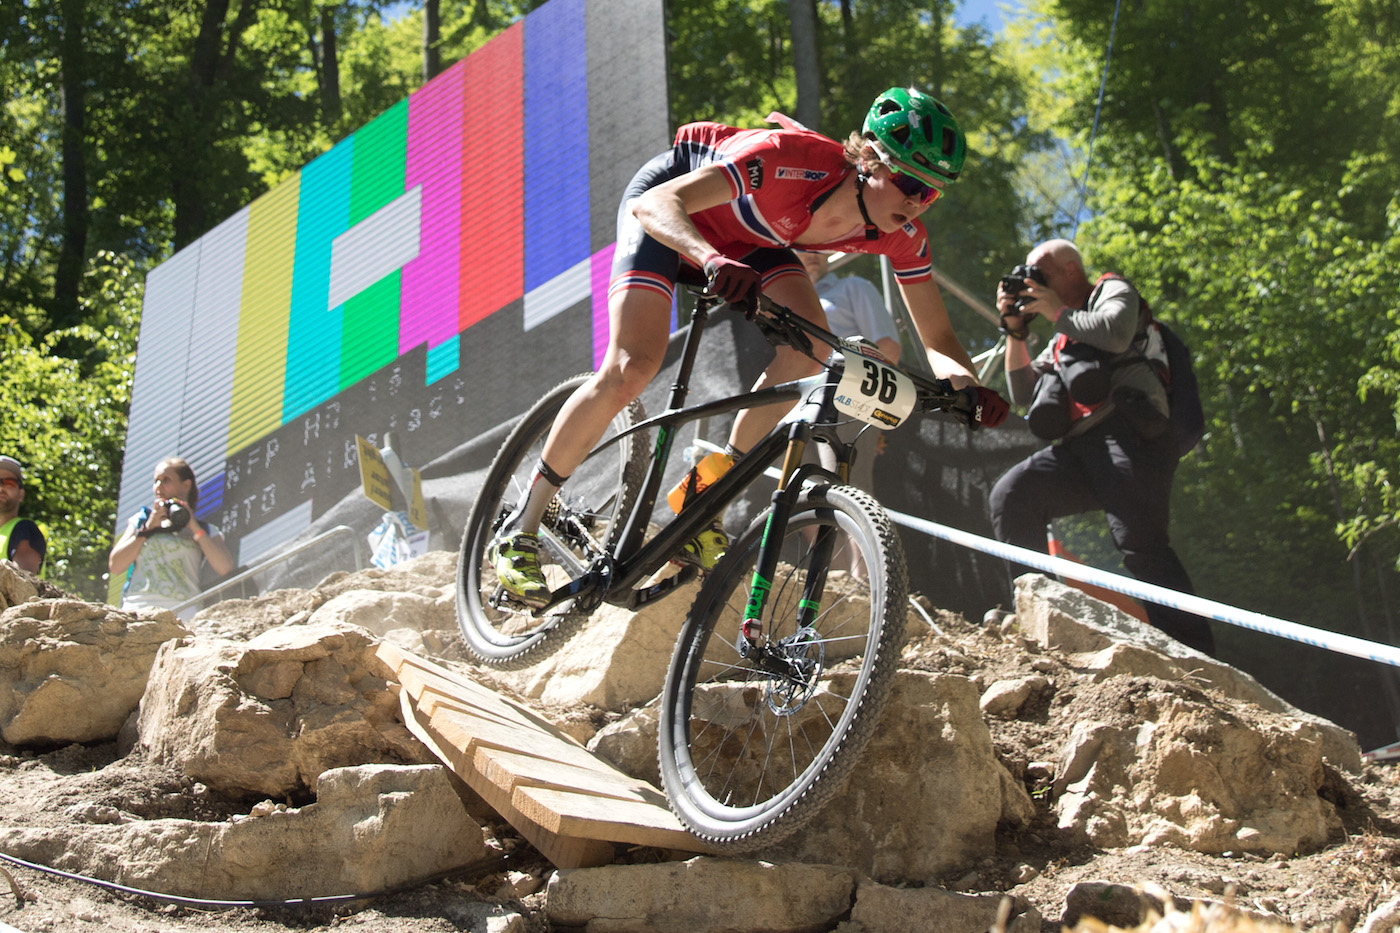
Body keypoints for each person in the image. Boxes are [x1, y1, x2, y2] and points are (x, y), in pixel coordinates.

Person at [487, 87, 1010, 606]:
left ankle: (705, 494)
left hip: (752, 241)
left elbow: (938, 339)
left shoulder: (903, 234)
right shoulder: (787, 160)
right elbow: (657, 204)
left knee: (811, 347)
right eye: (910, 183)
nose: (917, 203)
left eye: (931, 194)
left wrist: (970, 389)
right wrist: (709, 259)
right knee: (631, 367)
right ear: (870, 160)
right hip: (671, 210)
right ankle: (522, 524)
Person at [987, 238, 1215, 656]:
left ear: (1070, 269)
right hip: (1079, 448)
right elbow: (1022, 391)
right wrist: (1014, 330)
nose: (1033, 283)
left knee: (1141, 543)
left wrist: (1055, 311)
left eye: (1040, 274)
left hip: (1132, 434)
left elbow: (1114, 333)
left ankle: (1195, 656)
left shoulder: (1112, 290)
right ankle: (1040, 616)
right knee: (1014, 495)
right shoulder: (1064, 335)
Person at [797, 250, 901, 496]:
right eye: (802, 248)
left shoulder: (853, 287)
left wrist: (876, 414)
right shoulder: (788, 304)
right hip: (797, 407)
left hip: (846, 397)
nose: (812, 254)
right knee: (800, 497)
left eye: (818, 248)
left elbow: (887, 348)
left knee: (847, 493)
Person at [109, 457, 235, 621]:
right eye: (156, 481)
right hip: (138, 610)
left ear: (186, 485)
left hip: (184, 612)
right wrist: (147, 530)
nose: (158, 486)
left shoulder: (205, 529)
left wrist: (194, 527)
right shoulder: (141, 520)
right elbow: (115, 566)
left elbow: (225, 567)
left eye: (166, 480)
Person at [0, 455, 47, 575]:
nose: (1, 488)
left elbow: (22, 581)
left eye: (9, 483)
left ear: (21, 494)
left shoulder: (25, 529)